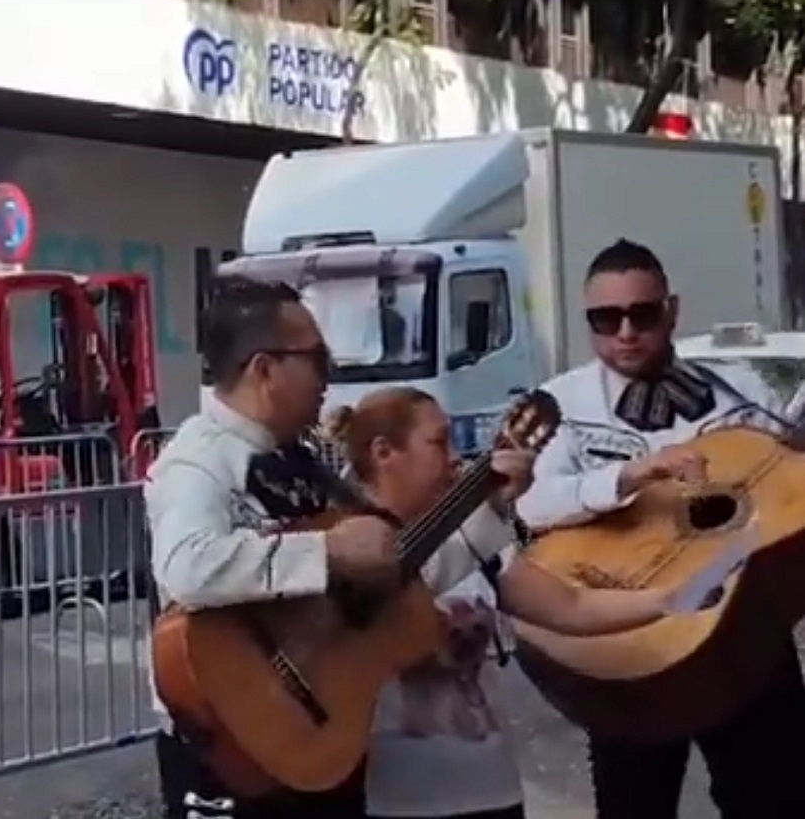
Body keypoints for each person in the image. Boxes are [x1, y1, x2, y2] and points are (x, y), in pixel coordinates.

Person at [516, 238, 805, 818]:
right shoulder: (558, 406)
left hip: (743, 630)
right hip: (630, 642)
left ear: (670, 311)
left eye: (642, 314)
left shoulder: (741, 394)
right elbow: (531, 506)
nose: (625, 331)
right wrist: (624, 477)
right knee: (634, 808)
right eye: (605, 318)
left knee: (778, 801)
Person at [325, 387, 703, 819]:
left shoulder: (478, 538)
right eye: (438, 441)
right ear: (384, 452)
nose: (454, 457)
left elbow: (572, 606)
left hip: (493, 794)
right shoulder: (341, 549)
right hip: (394, 802)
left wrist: (672, 598)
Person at [145, 275, 397, 819]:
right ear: (264, 369)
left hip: (312, 725)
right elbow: (188, 565)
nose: (328, 379)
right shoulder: (199, 461)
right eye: (316, 360)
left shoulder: (298, 459)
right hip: (232, 742)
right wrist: (327, 552)